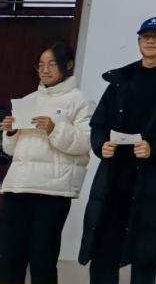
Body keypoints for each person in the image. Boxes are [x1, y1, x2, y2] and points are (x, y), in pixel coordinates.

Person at [79, 16, 156, 284]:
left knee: (145, 254)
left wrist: (155, 148)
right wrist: (101, 145)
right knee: (103, 250)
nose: (150, 41)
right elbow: (98, 124)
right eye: (145, 36)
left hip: (154, 182)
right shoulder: (121, 78)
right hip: (114, 178)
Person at [0, 43, 92, 284]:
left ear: (68, 65)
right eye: (40, 65)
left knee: (42, 258)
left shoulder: (80, 100)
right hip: (17, 186)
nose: (45, 69)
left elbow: (85, 142)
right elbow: (11, 150)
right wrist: (11, 132)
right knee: (9, 257)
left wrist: (53, 128)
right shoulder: (28, 100)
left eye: (51, 64)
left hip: (52, 190)